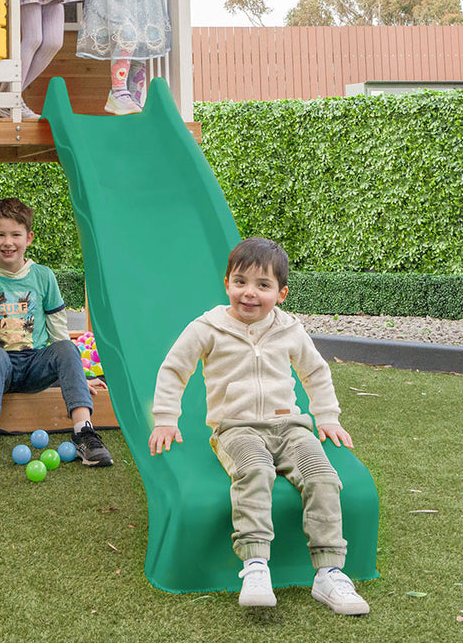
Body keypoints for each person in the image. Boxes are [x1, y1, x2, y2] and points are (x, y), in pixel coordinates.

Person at [148, 237, 370, 615]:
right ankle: (255, 565)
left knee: (323, 477)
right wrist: (166, 418)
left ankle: (329, 573)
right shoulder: (208, 327)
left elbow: (316, 372)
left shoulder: (289, 329)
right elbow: (174, 369)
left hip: (290, 426)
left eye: (263, 286)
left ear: (281, 293)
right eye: (241, 282)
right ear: (227, 284)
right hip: (237, 428)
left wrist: (327, 416)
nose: (249, 293)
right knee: (255, 472)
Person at [0, 197, 112, 473]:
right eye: (0, 234)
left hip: (34, 364)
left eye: (15, 234)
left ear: (28, 238)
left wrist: (76, 378)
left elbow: (58, 329)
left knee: (67, 347)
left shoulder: (43, 277)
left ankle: (84, 432)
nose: (8, 242)